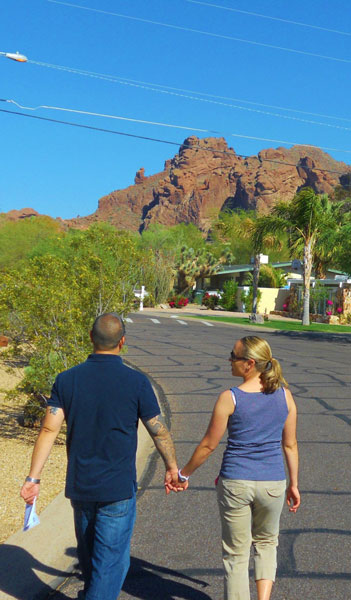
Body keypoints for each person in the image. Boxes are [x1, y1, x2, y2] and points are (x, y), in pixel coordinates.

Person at [20, 312, 182, 600]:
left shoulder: (67, 380)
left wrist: (34, 478)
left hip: (81, 486)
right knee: (110, 564)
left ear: (91, 338)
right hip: (117, 489)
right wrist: (172, 467)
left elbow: (48, 429)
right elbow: (158, 431)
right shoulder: (137, 382)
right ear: (123, 342)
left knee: (90, 555)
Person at [178, 335, 300, 600]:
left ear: (249, 364)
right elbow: (289, 445)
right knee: (267, 544)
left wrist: (182, 473)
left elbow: (209, 445)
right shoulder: (285, 397)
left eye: (233, 356)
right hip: (273, 483)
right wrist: (294, 484)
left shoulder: (230, 398)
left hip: (236, 481)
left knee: (236, 554)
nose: (229, 360)